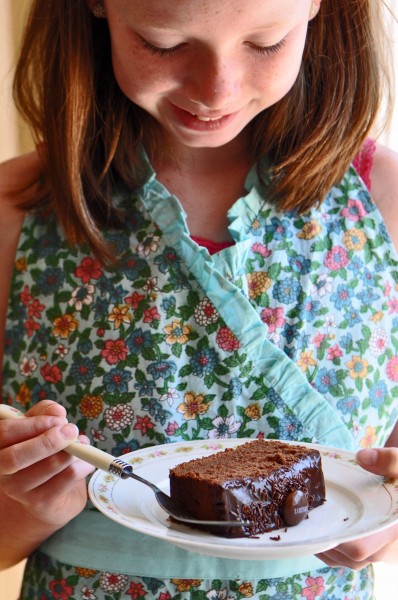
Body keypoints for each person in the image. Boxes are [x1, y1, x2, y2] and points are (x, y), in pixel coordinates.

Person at [0, 0, 397, 598]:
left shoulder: (385, 202)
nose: (217, 90)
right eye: (162, 43)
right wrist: (24, 511)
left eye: (265, 42)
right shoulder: (14, 211)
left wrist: (386, 529)